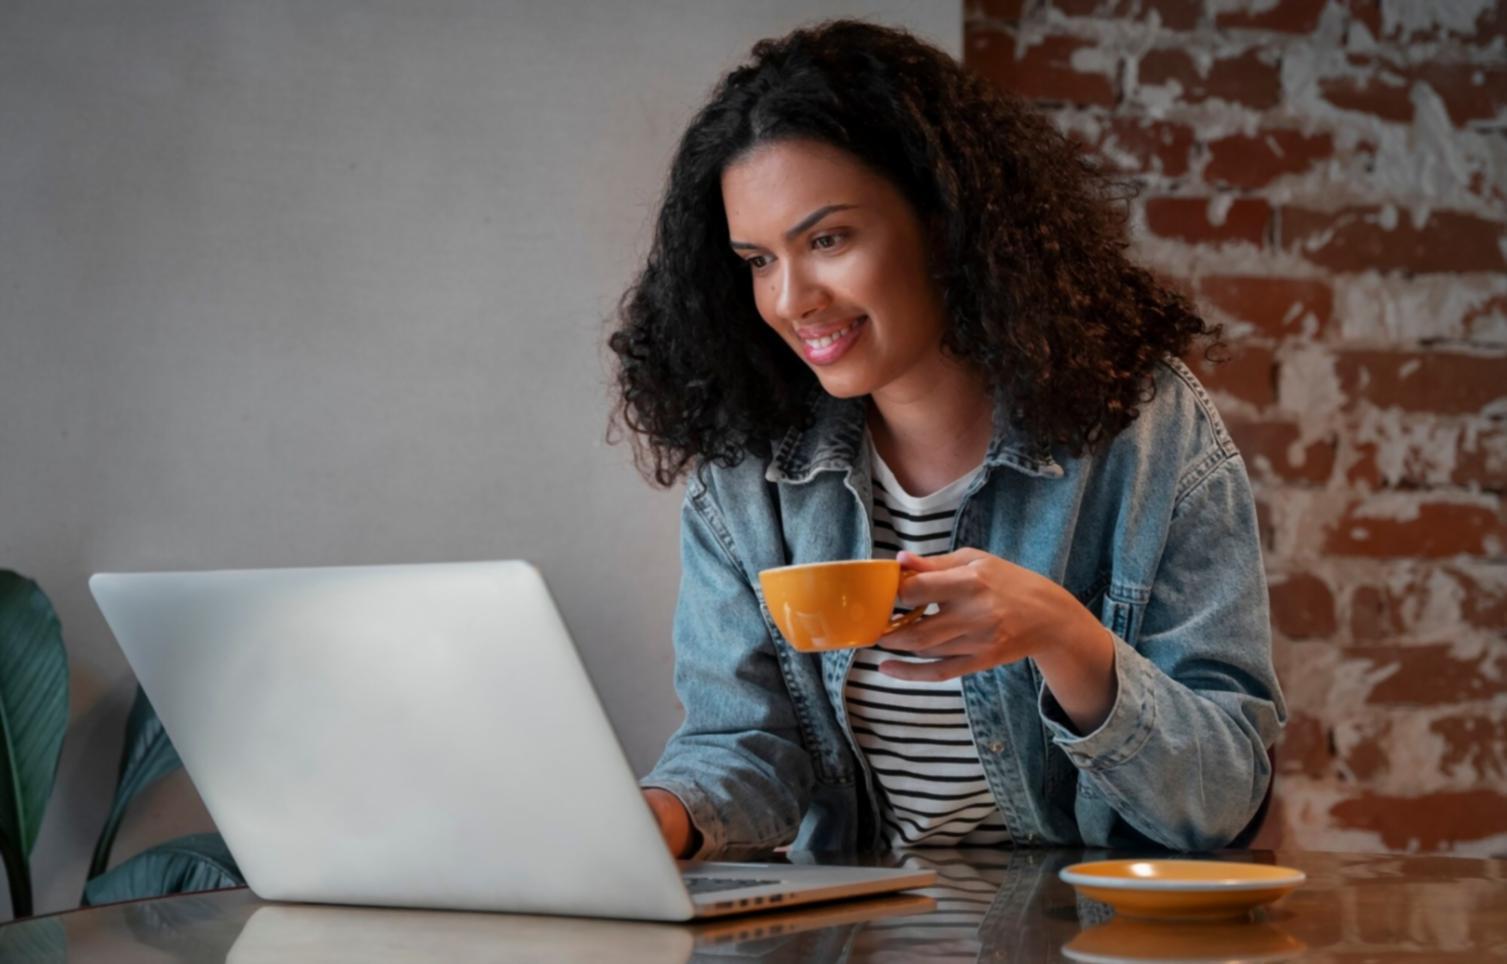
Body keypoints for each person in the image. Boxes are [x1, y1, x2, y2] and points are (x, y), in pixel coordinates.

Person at [606, 19, 1285, 860]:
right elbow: (746, 747)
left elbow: (1222, 799)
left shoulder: (1146, 436)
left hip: (1086, 938)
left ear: (943, 220)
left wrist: (1061, 635)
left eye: (827, 240)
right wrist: (653, 820)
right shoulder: (750, 471)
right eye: (757, 260)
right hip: (856, 937)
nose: (791, 299)